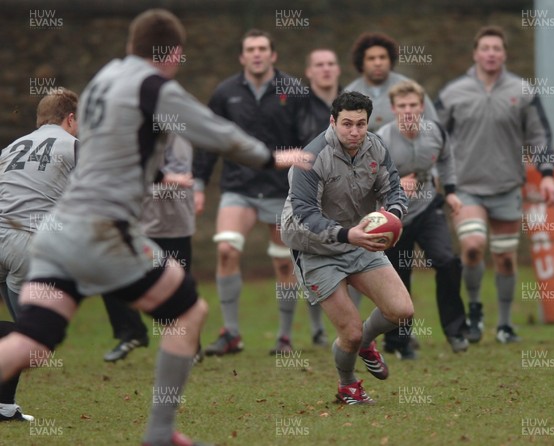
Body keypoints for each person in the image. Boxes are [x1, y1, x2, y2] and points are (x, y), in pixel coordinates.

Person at [0, 9, 309, 446]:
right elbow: (217, 133)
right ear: (174, 53)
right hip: (103, 231)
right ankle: (160, 434)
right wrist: (273, 157)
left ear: (131, 46)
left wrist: (161, 176)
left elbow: (113, 152)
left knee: (32, 342)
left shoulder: (104, 79)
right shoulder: (155, 86)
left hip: (55, 231)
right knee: (188, 312)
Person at [281, 91, 413, 404]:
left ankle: (367, 343)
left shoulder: (375, 146)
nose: (354, 132)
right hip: (315, 247)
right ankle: (347, 385)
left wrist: (392, 216)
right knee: (349, 332)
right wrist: (347, 235)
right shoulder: (311, 158)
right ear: (333, 121)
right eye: (347, 124)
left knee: (401, 311)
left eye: (361, 124)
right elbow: (304, 213)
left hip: (359, 238)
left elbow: (394, 189)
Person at [435, 25, 554, 344]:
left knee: (505, 258)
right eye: (485, 48)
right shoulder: (453, 92)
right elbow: (435, 136)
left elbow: (539, 135)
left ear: (504, 54)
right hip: (466, 187)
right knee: (473, 247)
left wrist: (546, 174)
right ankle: (474, 311)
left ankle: (504, 325)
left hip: (506, 186)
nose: (491, 53)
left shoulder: (523, 90)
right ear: (476, 53)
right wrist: (433, 175)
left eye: (497, 48)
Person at [195, 29, 305, 356]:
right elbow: (209, 140)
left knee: (284, 264)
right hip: (239, 187)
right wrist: (199, 184)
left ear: (273, 55)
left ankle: (284, 337)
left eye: (262, 49)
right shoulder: (224, 92)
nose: (256, 54)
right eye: (250, 49)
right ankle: (231, 333)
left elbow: (309, 142)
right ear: (242, 57)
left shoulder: (294, 90)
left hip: (280, 188)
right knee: (227, 250)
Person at [0, 88, 78, 422]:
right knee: (34, 341)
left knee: (20, 334)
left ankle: (3, 407)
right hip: (25, 244)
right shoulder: (73, 145)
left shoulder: (9, 149)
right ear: (71, 118)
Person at [377, 80, 469, 358]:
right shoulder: (382, 138)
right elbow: (369, 176)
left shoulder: (435, 132)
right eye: (402, 106)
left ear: (422, 107)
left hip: (429, 208)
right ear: (393, 108)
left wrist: (450, 191)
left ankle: (456, 331)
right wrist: (394, 184)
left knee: (447, 262)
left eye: (413, 105)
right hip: (396, 215)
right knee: (398, 278)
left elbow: (446, 158)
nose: (408, 111)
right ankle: (398, 342)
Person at [102, 134, 203, 363]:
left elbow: (179, 177)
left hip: (172, 224)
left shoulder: (175, 135)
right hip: (139, 223)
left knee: (177, 288)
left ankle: (191, 345)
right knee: (111, 273)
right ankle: (131, 331)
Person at [296, 48, 342, 347]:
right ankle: (316, 329)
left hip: (346, 190)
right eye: (319, 65)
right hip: (308, 190)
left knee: (357, 250)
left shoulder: (352, 104)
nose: (325, 69)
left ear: (338, 69)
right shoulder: (295, 105)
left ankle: (354, 326)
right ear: (309, 72)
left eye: (330, 64)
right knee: (312, 253)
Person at [345, 32, 438, 131]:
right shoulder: (350, 93)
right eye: (371, 58)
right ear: (361, 63)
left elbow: (433, 126)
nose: (378, 63)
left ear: (390, 61)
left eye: (382, 57)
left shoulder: (410, 88)